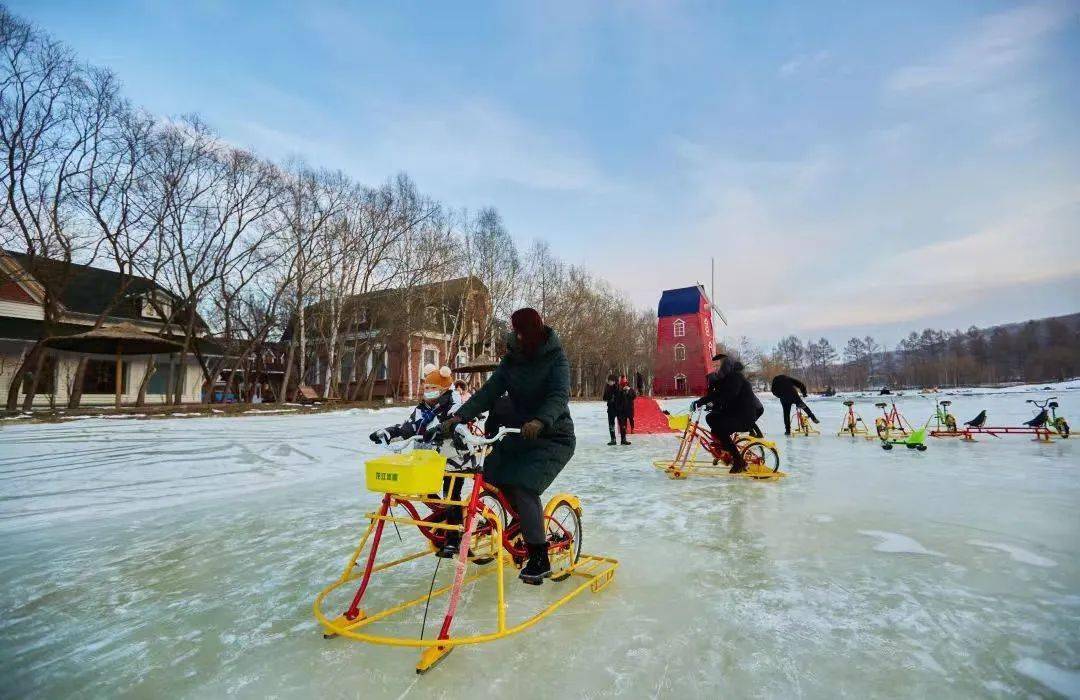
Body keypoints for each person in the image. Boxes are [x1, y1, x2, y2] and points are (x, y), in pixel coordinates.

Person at [440, 308, 575, 585]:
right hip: (518, 432)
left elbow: (559, 395)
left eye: (519, 331)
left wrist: (541, 420)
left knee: (525, 486)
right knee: (492, 475)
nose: (514, 335)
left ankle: (540, 557)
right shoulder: (512, 358)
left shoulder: (555, 358)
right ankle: (519, 522)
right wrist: (460, 415)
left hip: (552, 435)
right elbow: (490, 392)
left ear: (530, 332)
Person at [370, 364, 464, 557]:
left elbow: (457, 424)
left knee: (451, 495)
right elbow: (409, 427)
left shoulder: (455, 404)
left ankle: (454, 539)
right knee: (424, 492)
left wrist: (441, 431)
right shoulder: (423, 409)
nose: (428, 392)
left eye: (433, 388)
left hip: (453, 458)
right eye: (426, 388)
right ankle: (445, 522)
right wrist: (389, 432)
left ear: (445, 388)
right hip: (428, 459)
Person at [691, 354, 763, 473]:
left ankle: (739, 461)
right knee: (711, 418)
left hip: (744, 416)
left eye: (717, 366)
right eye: (714, 366)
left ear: (726, 365)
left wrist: (712, 403)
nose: (715, 369)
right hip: (735, 413)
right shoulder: (726, 378)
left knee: (720, 429)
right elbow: (717, 394)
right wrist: (700, 401)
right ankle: (725, 448)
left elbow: (728, 395)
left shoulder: (735, 377)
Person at [614, 376, 636, 444]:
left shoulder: (630, 389)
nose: (624, 383)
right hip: (622, 409)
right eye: (623, 382)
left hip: (629, 407)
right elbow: (617, 398)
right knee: (624, 421)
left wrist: (628, 391)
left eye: (625, 382)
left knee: (631, 418)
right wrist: (623, 391)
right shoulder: (619, 389)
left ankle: (632, 429)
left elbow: (634, 396)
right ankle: (624, 436)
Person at [602, 373, 619, 446]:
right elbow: (604, 398)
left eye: (610, 381)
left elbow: (621, 397)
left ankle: (623, 439)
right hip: (611, 408)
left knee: (621, 423)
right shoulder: (607, 387)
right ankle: (613, 439)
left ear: (614, 381)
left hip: (618, 408)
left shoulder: (618, 387)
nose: (609, 382)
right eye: (609, 381)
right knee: (611, 424)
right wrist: (609, 398)